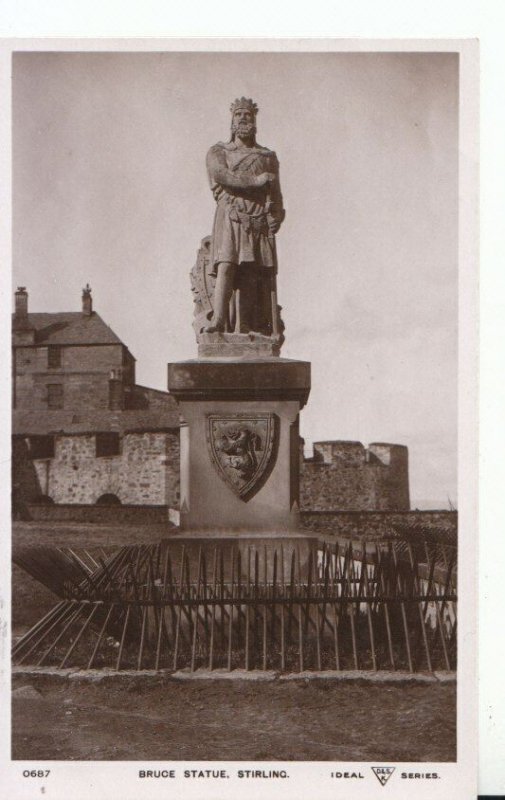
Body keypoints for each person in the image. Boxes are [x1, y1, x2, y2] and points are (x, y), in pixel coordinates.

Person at [204, 97, 285, 334]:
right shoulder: (219, 151)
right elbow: (222, 176)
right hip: (231, 214)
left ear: (254, 121)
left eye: (247, 115)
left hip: (257, 219)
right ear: (232, 121)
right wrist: (257, 181)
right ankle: (218, 320)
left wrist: (276, 217)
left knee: (250, 270)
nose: (243, 118)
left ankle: (245, 326)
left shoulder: (267, 157)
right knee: (226, 265)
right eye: (238, 114)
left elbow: (277, 195)